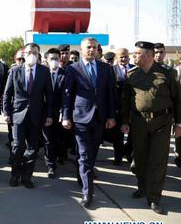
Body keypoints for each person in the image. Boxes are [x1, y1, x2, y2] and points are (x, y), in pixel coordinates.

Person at [120, 41, 181, 214]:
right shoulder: (131, 75)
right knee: (139, 157)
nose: (134, 56)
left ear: (148, 55)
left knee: (158, 160)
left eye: (137, 53)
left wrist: (179, 124)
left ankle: (154, 197)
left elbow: (178, 99)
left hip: (162, 122)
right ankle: (142, 187)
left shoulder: (167, 73)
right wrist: (125, 121)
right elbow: (125, 100)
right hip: (139, 122)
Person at [62, 37, 116, 208]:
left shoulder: (106, 68)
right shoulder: (73, 69)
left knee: (91, 153)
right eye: (88, 47)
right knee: (85, 154)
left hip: (99, 118)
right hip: (80, 118)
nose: (91, 50)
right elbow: (67, 95)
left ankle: (83, 176)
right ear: (82, 49)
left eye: (94, 47)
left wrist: (111, 116)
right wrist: (65, 116)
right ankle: (88, 192)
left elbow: (110, 94)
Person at [3, 43, 53, 189]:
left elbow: (49, 95)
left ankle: (27, 177)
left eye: (35, 52)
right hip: (18, 115)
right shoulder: (14, 71)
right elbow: (7, 94)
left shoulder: (44, 71)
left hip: (36, 116)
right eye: (29, 52)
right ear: (24, 54)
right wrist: (6, 112)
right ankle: (15, 175)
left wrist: (49, 114)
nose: (31, 54)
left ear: (38, 55)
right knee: (17, 146)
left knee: (32, 148)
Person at [155, 42, 181, 168]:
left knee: (161, 146)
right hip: (146, 116)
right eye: (156, 52)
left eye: (161, 52)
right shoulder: (143, 69)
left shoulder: (171, 72)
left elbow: (175, 95)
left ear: (165, 54)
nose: (158, 55)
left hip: (165, 114)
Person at [44, 48, 66, 177]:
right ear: (47, 60)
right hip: (46, 113)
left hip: (60, 113)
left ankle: (61, 156)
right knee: (48, 140)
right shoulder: (42, 73)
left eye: (56, 59)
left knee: (59, 139)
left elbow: (68, 95)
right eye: (51, 59)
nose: (54, 61)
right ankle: (50, 166)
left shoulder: (65, 74)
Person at [113, 48, 135, 165]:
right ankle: (118, 157)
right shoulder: (112, 70)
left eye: (126, 56)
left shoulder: (135, 69)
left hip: (133, 108)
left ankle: (127, 153)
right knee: (118, 136)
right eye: (121, 56)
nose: (124, 59)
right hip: (118, 108)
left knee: (133, 135)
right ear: (117, 58)